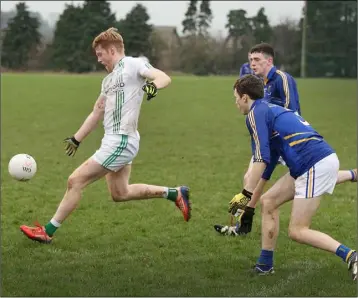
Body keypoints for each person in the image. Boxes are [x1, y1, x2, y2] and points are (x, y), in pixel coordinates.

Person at [19, 27, 191, 244]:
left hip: (121, 141)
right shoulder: (108, 81)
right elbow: (96, 112)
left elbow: (162, 76)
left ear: (111, 50)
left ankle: (47, 231)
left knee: (75, 181)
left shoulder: (132, 64)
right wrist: (76, 138)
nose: (99, 60)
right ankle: (175, 193)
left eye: (100, 54)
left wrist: (154, 87)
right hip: (115, 140)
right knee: (120, 193)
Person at [214, 43, 356, 236]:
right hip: (271, 139)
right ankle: (353, 174)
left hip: (287, 140)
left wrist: (276, 146)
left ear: (269, 60)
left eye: (257, 60)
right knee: (287, 176)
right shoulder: (258, 84)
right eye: (250, 60)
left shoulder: (282, 79)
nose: (252, 64)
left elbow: (292, 110)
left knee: (297, 175)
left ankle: (245, 218)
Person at [230, 74, 357, 279]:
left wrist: (244, 194)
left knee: (298, 231)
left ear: (245, 97)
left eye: (236, 97)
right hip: (316, 160)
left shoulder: (255, 113)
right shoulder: (268, 109)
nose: (235, 102)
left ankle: (352, 255)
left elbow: (261, 157)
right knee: (269, 201)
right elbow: (268, 161)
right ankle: (265, 265)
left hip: (312, 163)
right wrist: (248, 198)